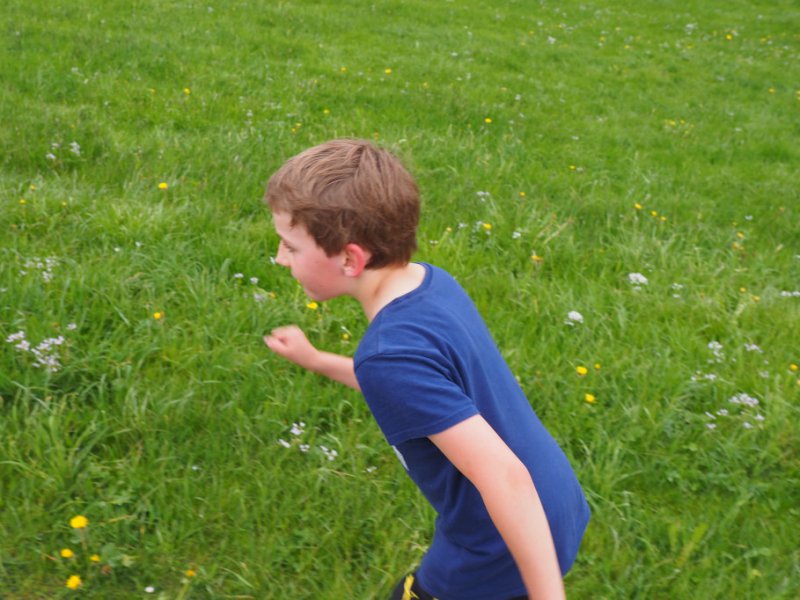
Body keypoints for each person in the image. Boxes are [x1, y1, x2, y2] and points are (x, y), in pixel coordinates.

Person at [263, 139, 590, 600]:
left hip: (498, 541)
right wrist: (316, 360)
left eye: (291, 246)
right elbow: (421, 392)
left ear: (350, 259)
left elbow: (504, 478)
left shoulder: (388, 357)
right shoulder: (431, 283)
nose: (280, 258)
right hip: (553, 500)